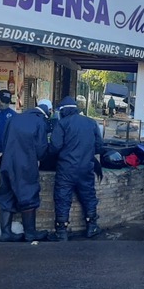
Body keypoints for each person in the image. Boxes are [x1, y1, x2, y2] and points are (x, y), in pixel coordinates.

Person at [0, 99, 53, 242]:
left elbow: (4, 140)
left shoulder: (15, 118)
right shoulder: (40, 122)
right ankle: (30, 233)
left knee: (6, 194)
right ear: (48, 111)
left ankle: (6, 232)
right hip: (26, 164)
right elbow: (41, 150)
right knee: (28, 195)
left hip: (8, 162)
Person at [50, 96, 104, 241]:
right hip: (86, 167)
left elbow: (54, 147)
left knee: (62, 198)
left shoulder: (62, 124)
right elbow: (99, 146)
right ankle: (92, 226)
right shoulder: (91, 123)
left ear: (63, 110)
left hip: (66, 169)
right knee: (88, 195)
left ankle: (61, 231)